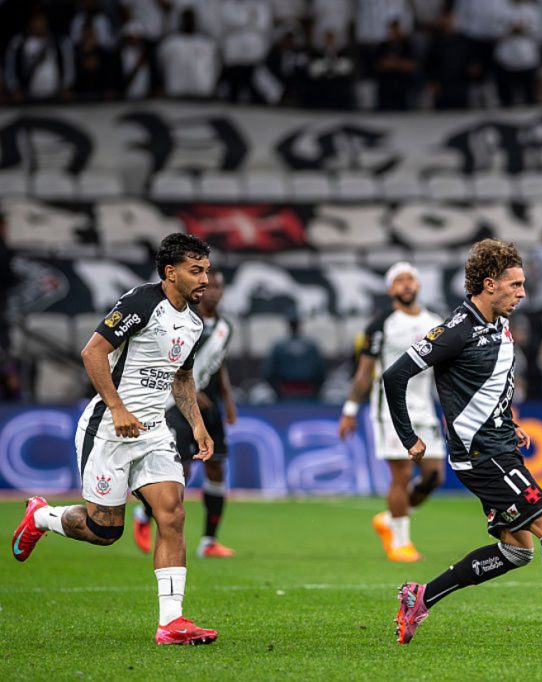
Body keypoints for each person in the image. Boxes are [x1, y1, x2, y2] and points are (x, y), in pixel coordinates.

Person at [383, 238, 542, 646]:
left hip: (499, 446)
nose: (523, 293)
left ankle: (420, 597)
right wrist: (408, 437)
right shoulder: (456, 330)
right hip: (482, 456)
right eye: (515, 285)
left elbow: (483, 384)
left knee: (517, 551)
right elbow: (394, 375)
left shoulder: (498, 323)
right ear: (489, 285)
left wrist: (507, 421)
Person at [10, 233, 218, 645]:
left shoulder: (194, 323)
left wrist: (197, 423)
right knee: (104, 531)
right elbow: (92, 352)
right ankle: (41, 517)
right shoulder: (141, 302)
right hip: (108, 428)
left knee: (172, 514)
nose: (205, 280)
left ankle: (171, 623)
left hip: (154, 432)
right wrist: (118, 408)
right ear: (170, 272)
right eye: (196, 271)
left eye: (207, 271)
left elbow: (181, 377)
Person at [338, 262, 445, 562]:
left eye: (410, 279)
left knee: (434, 476)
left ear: (418, 285)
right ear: (390, 289)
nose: (406, 284)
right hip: (390, 409)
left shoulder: (435, 322)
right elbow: (364, 373)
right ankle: (400, 542)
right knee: (402, 473)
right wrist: (349, 410)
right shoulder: (380, 325)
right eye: (399, 280)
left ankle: (390, 518)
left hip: (424, 408)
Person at [133, 269, 238, 558]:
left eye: (218, 287)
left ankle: (209, 541)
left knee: (216, 467)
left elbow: (218, 365)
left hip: (210, 405)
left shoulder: (225, 328)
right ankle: (144, 513)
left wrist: (228, 401)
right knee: (182, 469)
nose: (213, 291)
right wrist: (190, 392)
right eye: (209, 286)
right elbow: (166, 359)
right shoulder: (183, 320)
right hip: (177, 404)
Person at [262, 316, 326, 400]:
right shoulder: (311, 345)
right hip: (306, 392)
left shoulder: (279, 346)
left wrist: (277, 390)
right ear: (299, 324)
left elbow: (268, 372)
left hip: (286, 393)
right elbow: (321, 372)